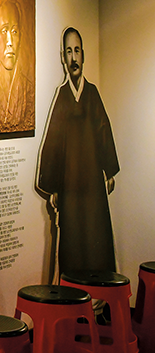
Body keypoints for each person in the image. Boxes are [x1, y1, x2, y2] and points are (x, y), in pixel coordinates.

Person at [36, 27, 119, 278]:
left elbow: (104, 129)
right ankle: (74, 294)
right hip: (70, 183)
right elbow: (53, 141)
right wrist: (53, 187)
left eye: (77, 51)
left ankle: (100, 295)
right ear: (63, 57)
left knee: (96, 233)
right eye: (69, 52)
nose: (73, 58)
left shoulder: (92, 93)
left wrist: (109, 171)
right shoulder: (62, 96)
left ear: (83, 55)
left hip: (93, 182)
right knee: (73, 240)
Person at [0, 0, 34, 132]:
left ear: (20, 37)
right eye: (4, 31)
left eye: (14, 32)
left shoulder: (30, 92)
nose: (9, 41)